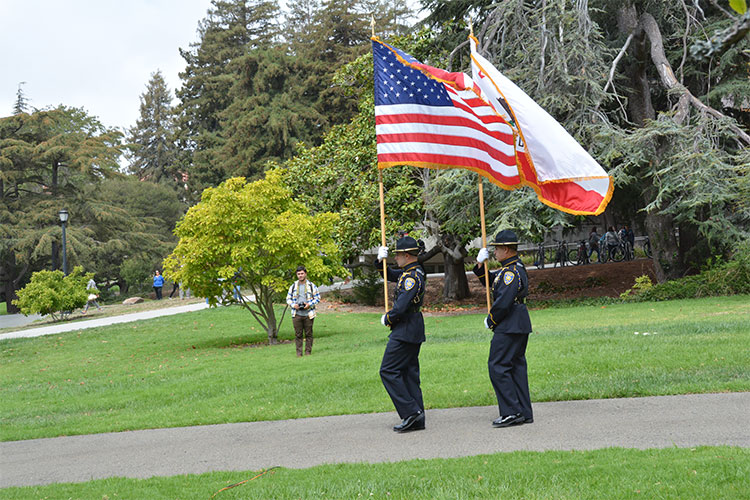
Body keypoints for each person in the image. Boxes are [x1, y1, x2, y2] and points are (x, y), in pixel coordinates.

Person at [474, 230, 533, 428]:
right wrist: (480, 266)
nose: (495, 253)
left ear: (506, 249)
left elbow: (504, 299)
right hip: (516, 323)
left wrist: (491, 320)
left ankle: (511, 412)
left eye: (497, 249)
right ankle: (523, 411)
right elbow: (492, 282)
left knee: (498, 366)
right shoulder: (511, 268)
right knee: (515, 367)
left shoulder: (510, 272)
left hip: (509, 325)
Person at [376, 236, 427, 433]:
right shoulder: (410, 272)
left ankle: (411, 412)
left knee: (388, 370)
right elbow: (389, 275)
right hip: (411, 327)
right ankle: (417, 415)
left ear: (407, 255)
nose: (395, 258)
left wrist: (388, 318)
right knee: (408, 373)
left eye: (397, 255)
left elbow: (403, 304)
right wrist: (380, 261)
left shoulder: (412, 276)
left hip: (405, 328)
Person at [286, 265, 320, 357]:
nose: (300, 275)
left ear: (305, 274)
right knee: (298, 334)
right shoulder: (293, 286)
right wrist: (294, 305)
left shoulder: (312, 286)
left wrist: (309, 304)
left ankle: (308, 352)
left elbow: (317, 298)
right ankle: (299, 353)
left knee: (309, 334)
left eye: (302, 273)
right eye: (298, 274)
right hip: (296, 314)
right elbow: (288, 299)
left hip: (309, 314)